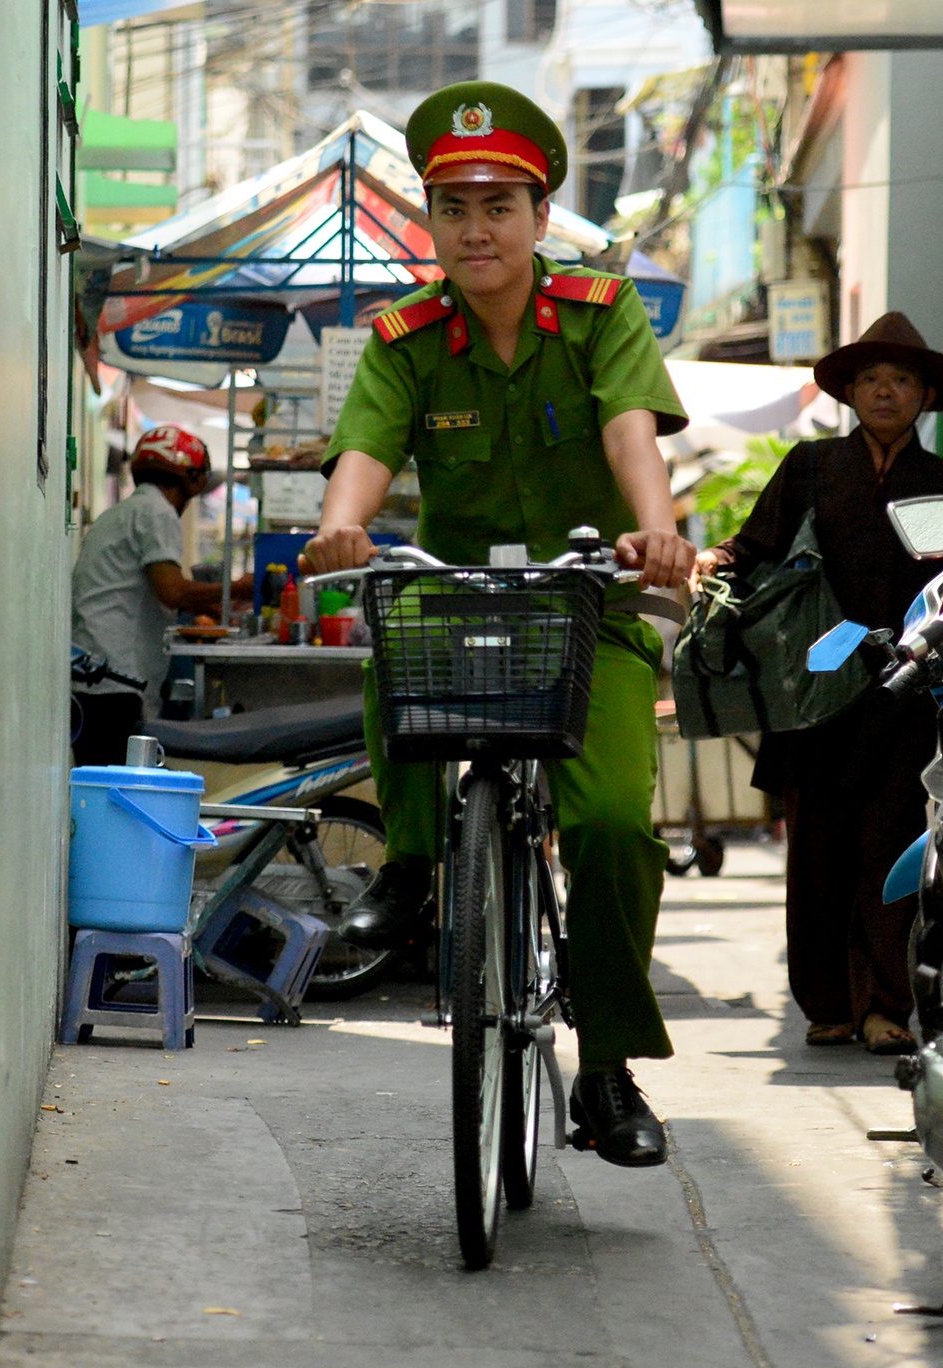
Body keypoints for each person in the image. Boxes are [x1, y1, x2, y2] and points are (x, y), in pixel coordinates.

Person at [300, 81, 694, 1167]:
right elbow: (366, 456)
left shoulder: (603, 317)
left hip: (589, 605)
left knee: (613, 824)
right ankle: (416, 869)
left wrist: (657, 533)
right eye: (454, 207)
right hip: (464, 607)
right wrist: (341, 530)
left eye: (500, 206)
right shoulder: (406, 340)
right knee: (397, 621)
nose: (476, 229)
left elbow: (630, 435)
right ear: (431, 219)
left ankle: (606, 1069)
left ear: (539, 217)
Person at [695, 313, 943, 1055]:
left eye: (903, 380)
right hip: (816, 681)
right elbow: (757, 547)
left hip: (910, 687)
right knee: (818, 849)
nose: (886, 392)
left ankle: (888, 1005)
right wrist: (718, 560)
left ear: (925, 396)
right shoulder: (811, 467)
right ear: (851, 391)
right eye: (873, 380)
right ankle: (826, 1001)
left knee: (895, 847)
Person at [70, 425, 253, 766]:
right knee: (127, 800)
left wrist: (215, 605)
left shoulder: (120, 514)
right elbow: (172, 591)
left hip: (93, 683)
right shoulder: (158, 513)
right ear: (192, 477)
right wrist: (239, 588)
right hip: (116, 688)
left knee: (104, 797)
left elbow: (147, 589)